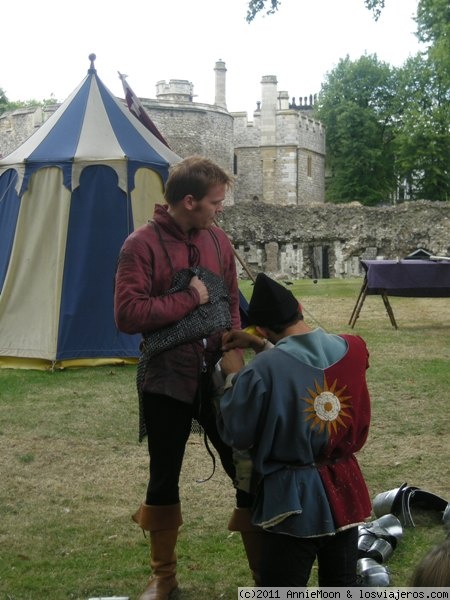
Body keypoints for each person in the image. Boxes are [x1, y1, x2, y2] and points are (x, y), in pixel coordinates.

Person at [114, 156, 253, 600]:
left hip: (217, 374)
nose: (220, 209)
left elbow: (231, 299)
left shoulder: (218, 240)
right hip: (166, 376)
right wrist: (190, 298)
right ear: (189, 201)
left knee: (246, 468)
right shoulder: (141, 245)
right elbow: (128, 314)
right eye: (215, 202)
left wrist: (231, 346)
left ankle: (265, 566)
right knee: (164, 475)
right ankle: (164, 576)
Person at [217, 272, 373, 587]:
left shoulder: (261, 371)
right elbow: (303, 369)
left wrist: (234, 377)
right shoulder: (355, 348)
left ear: (261, 328)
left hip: (294, 502)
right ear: (299, 308)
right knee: (342, 588)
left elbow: (238, 432)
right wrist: (263, 346)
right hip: (347, 491)